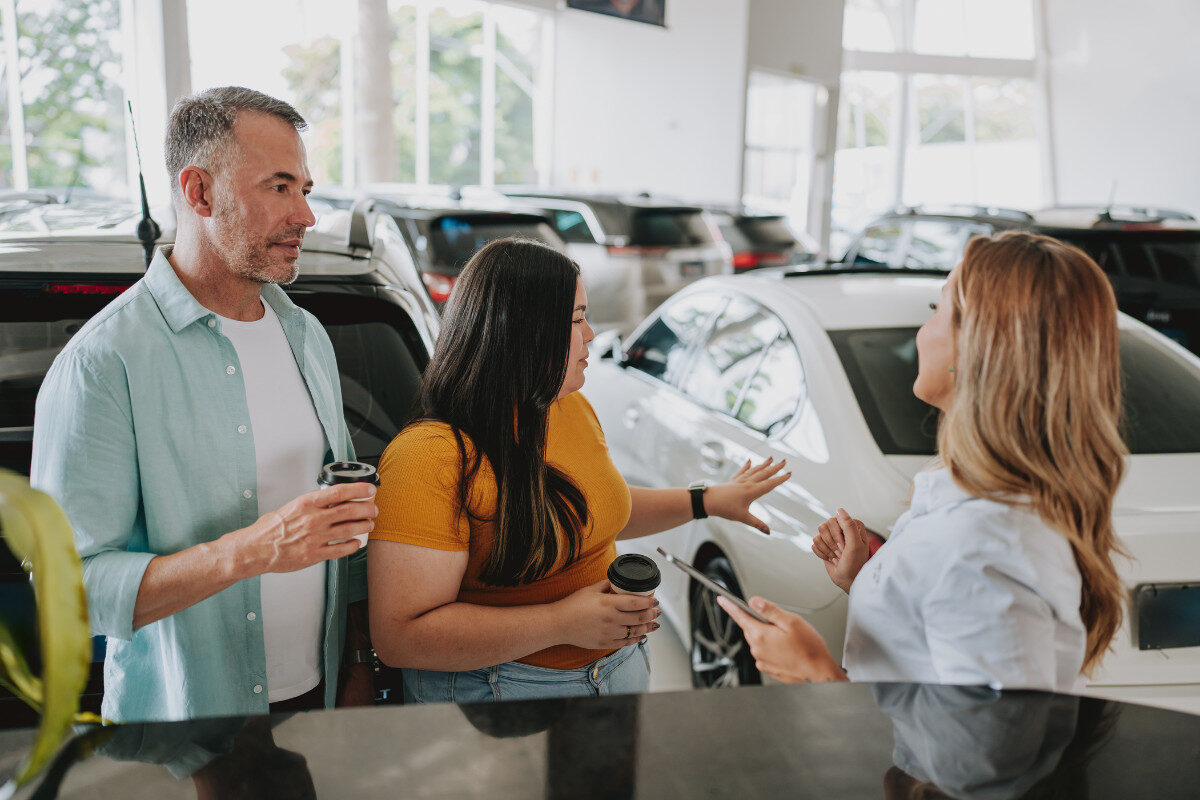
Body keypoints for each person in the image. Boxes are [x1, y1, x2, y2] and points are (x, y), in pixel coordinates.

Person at [31, 86, 376, 722]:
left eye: (304, 188)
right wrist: (251, 551)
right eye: (279, 187)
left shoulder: (307, 336)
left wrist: (358, 663)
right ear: (199, 193)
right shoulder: (104, 363)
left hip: (323, 704)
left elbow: (341, 524)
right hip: (188, 728)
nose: (306, 215)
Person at [368, 237, 788, 702]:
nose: (590, 334)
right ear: (521, 332)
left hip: (617, 668)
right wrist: (561, 623)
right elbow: (400, 637)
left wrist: (705, 500)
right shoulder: (429, 458)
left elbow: (593, 511)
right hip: (502, 693)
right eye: (575, 319)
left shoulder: (566, 407)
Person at [719, 231, 1127, 692]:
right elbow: (940, 649)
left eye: (938, 310)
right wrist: (869, 581)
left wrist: (817, 672)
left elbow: (987, 735)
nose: (922, 331)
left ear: (975, 348)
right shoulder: (982, 511)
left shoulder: (980, 546)